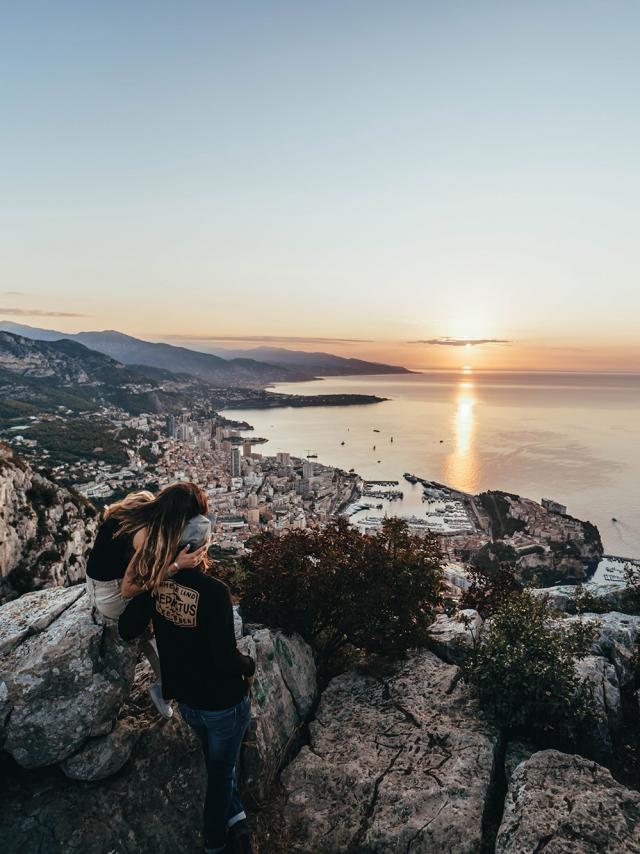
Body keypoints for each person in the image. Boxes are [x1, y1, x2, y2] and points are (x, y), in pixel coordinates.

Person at [117, 482, 255, 854]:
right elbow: (226, 659)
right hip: (222, 703)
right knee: (221, 774)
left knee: (217, 766)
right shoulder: (214, 592)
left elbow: (126, 629)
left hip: (189, 704)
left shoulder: (158, 583)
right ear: (201, 546)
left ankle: (237, 818)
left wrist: (156, 583)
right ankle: (215, 844)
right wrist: (250, 663)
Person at [85, 490, 206, 719]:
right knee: (167, 590)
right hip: (111, 597)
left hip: (92, 584)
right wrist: (176, 566)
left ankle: (167, 674)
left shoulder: (141, 502)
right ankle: (167, 687)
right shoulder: (148, 537)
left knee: (162, 584)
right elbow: (128, 590)